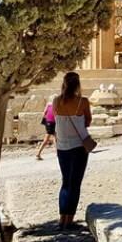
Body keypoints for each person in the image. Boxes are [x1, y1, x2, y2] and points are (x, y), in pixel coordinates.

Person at [53, 72, 92, 229]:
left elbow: (55, 119)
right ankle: (69, 221)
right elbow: (88, 121)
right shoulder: (82, 102)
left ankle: (62, 219)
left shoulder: (56, 101)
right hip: (78, 147)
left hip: (62, 147)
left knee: (65, 182)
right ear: (78, 84)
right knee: (75, 184)